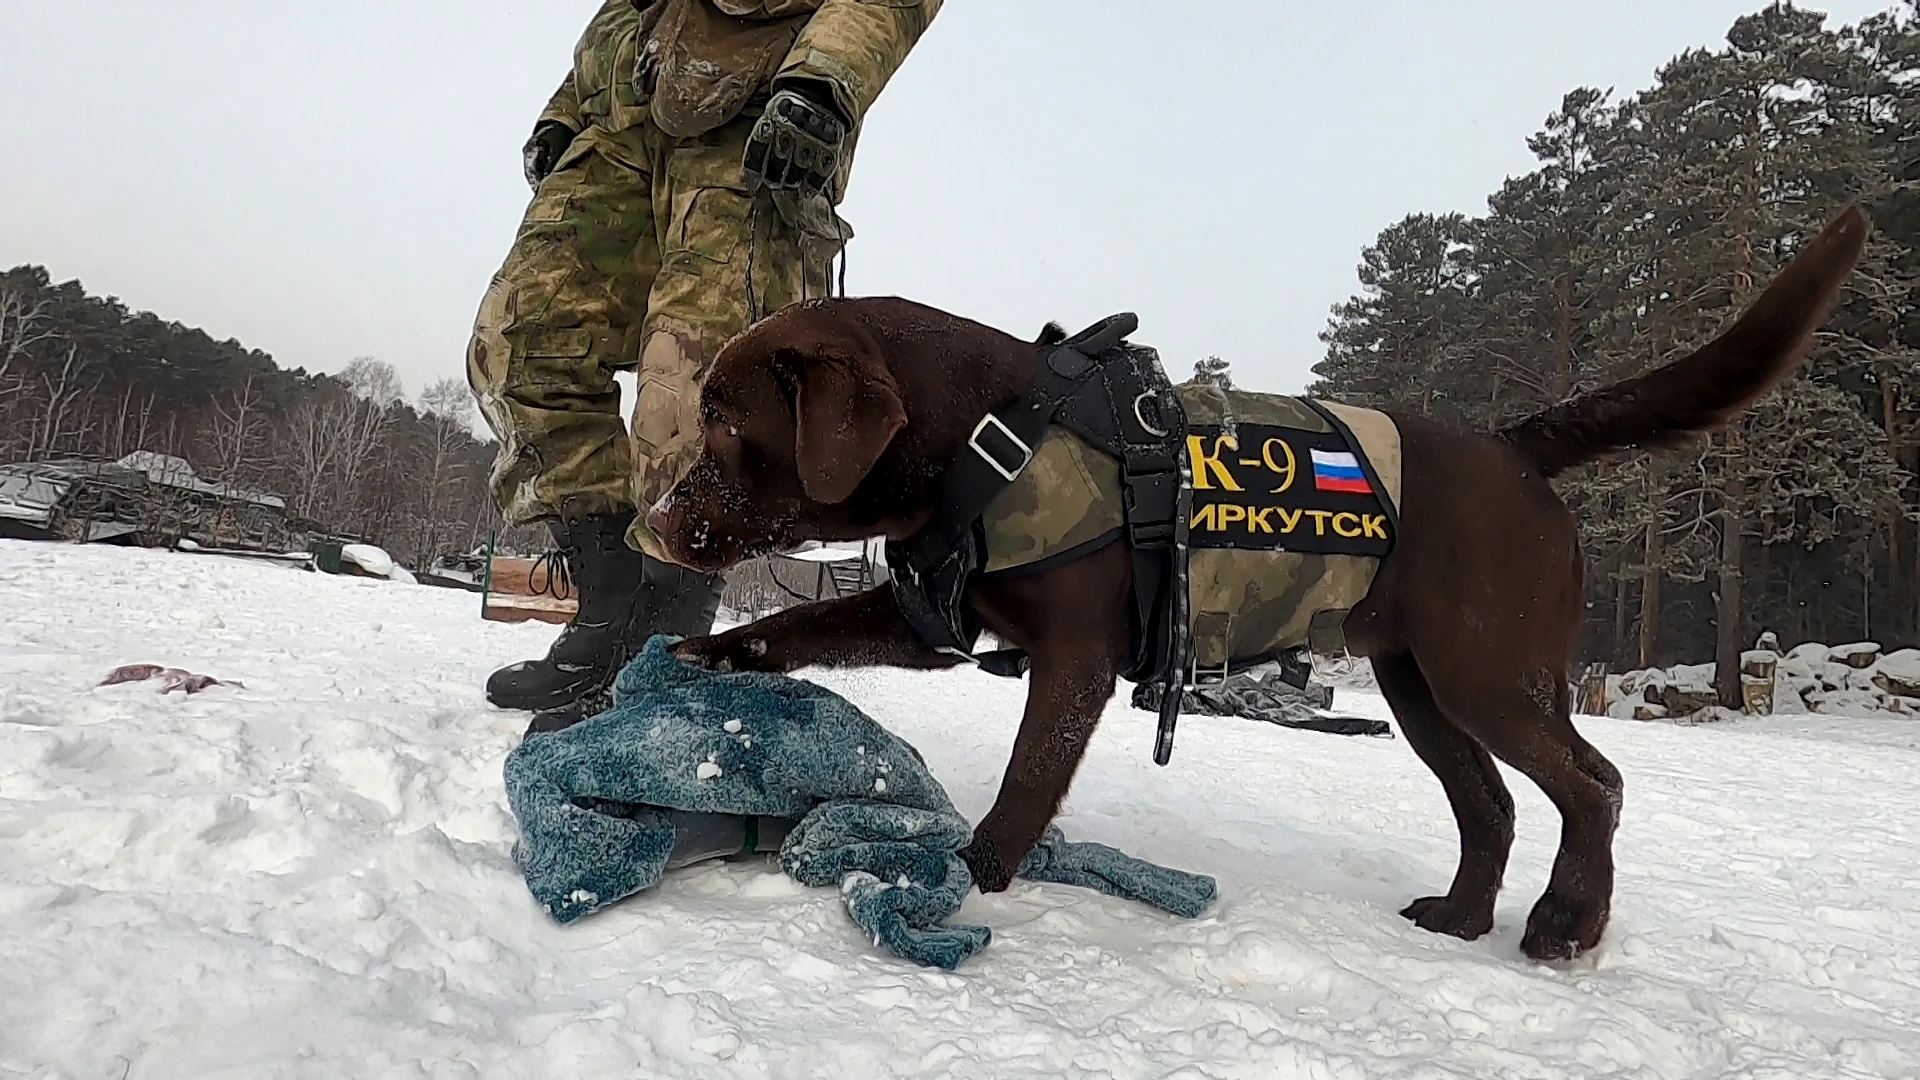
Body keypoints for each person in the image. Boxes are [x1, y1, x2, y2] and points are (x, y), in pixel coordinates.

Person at [467, 0, 941, 724]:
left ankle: (664, 650)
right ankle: (609, 611)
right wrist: (564, 111)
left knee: (699, 388)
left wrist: (824, 82)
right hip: (623, 118)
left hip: (760, 114)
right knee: (522, 342)